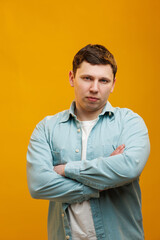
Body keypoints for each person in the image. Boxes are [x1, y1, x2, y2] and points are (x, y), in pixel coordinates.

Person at [27, 44, 150, 240]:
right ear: (71, 78)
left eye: (103, 80)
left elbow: (128, 168)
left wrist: (67, 169)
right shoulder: (47, 128)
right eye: (87, 78)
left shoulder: (130, 122)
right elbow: (39, 184)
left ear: (113, 84)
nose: (94, 88)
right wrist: (102, 183)